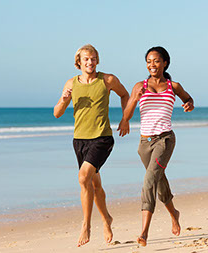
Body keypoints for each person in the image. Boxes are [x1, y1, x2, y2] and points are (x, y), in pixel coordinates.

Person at [53, 44, 129, 247]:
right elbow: (57, 113)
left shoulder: (108, 80)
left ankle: (86, 225)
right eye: (86, 59)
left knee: (83, 177)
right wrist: (64, 99)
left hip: (102, 138)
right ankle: (107, 219)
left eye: (94, 58)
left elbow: (125, 95)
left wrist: (125, 118)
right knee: (94, 185)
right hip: (80, 140)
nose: (90, 62)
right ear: (79, 62)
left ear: (97, 60)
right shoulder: (71, 83)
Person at [120, 46, 194, 246]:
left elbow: (188, 98)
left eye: (156, 61)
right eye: (149, 61)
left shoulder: (173, 86)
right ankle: (174, 213)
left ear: (165, 63)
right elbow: (126, 115)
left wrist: (188, 104)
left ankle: (144, 232)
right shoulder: (139, 86)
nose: (152, 65)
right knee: (158, 181)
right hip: (145, 144)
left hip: (165, 140)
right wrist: (135, 98)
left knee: (149, 181)